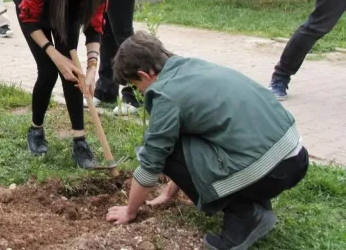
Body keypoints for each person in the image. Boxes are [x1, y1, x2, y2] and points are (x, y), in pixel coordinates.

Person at [106, 31, 308, 250]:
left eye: (136, 86)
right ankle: (255, 203)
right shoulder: (190, 66)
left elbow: (153, 161)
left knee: (161, 149)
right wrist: (169, 192)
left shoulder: (165, 94)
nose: (140, 92)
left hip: (270, 173)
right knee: (177, 141)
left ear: (144, 75)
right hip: (294, 157)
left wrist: (130, 211)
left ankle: (244, 216)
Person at [13, 0, 112, 168]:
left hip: (69, 16)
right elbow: (27, 17)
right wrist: (54, 55)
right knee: (48, 71)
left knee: (74, 75)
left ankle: (80, 142)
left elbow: (95, 26)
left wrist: (91, 68)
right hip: (35, 14)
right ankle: (36, 129)